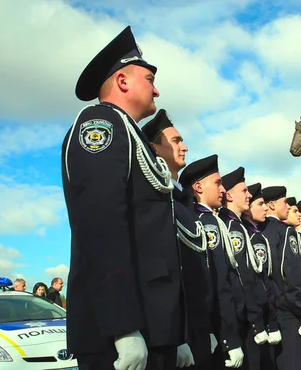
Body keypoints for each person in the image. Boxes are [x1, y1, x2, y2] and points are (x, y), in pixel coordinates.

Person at [62, 26, 182, 370]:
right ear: (123, 81)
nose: (157, 89)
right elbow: (100, 225)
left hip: (152, 324)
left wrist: (176, 332)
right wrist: (122, 327)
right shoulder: (101, 124)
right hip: (123, 330)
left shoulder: (132, 137)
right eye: (149, 79)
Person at [142, 109, 212, 369]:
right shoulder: (157, 199)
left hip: (195, 329)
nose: (184, 147)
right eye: (176, 141)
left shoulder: (183, 201)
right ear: (155, 149)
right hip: (172, 332)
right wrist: (178, 334)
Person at [179, 155, 244, 369]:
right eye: (217, 183)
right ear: (198, 187)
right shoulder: (206, 223)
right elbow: (219, 285)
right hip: (210, 329)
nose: (223, 190)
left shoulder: (207, 220)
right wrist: (229, 337)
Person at [218, 167, 268, 370]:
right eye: (244, 191)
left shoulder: (239, 226)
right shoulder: (231, 228)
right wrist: (256, 321)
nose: (249, 195)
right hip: (242, 319)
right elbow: (243, 278)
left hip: (247, 318)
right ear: (229, 195)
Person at [260, 186, 301, 370]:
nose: (287, 206)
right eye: (285, 203)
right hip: (288, 310)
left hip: (268, 309)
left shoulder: (259, 229)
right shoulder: (285, 231)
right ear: (272, 205)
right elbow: (292, 274)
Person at [242, 183, 278, 368]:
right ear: (247, 210)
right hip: (253, 318)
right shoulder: (248, 235)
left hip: (264, 314)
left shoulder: (257, 234)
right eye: (260, 204)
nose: (265, 208)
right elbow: (252, 282)